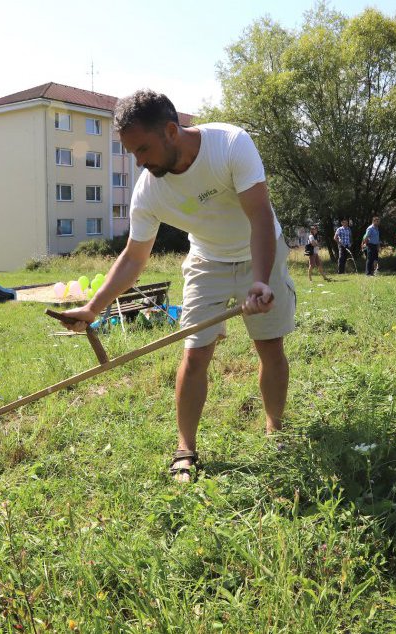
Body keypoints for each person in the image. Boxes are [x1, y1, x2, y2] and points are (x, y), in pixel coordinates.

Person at [59, 89, 296, 482]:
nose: (139, 161)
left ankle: (275, 429)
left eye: (143, 149)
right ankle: (185, 449)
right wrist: (93, 307)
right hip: (207, 261)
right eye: (131, 151)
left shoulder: (231, 144)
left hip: (261, 249)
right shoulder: (149, 189)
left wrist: (259, 279)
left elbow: (259, 216)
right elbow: (134, 258)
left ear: (171, 131)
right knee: (195, 354)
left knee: (269, 347)